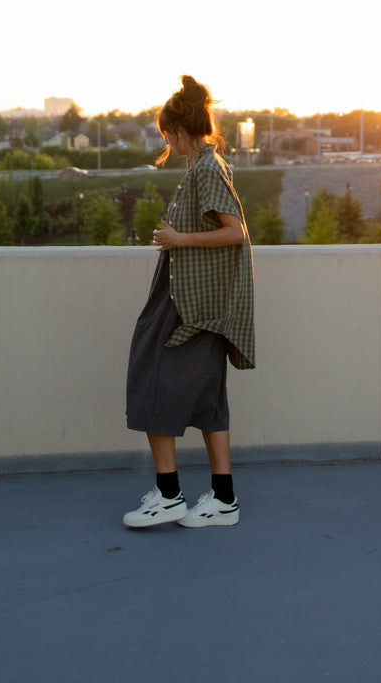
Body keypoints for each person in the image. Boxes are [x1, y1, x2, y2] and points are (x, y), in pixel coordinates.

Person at [123, 75, 255, 529]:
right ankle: (223, 499)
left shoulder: (206, 168)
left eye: (167, 134)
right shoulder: (204, 166)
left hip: (188, 306)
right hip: (199, 301)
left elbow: (236, 231)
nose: (168, 143)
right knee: (209, 400)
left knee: (150, 381)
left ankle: (169, 494)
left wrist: (178, 238)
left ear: (179, 130)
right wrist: (176, 239)